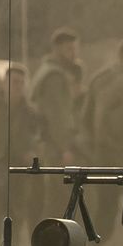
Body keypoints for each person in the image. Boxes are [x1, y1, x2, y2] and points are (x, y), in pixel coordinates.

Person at [81, 39, 123, 231]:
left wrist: (95, 143)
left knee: (105, 200)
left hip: (103, 149)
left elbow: (86, 116)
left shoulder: (99, 78)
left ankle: (98, 239)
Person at [0, 64, 48, 246]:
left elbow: (40, 137)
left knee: (18, 208)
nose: (17, 86)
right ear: (4, 83)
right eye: (13, 82)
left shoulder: (32, 113)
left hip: (20, 167)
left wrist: (33, 152)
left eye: (21, 83)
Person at [31, 28, 86, 165]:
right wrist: (64, 149)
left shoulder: (52, 71)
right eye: (69, 49)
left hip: (56, 143)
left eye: (75, 49)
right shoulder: (54, 77)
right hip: (56, 146)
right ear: (57, 49)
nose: (74, 54)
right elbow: (57, 115)